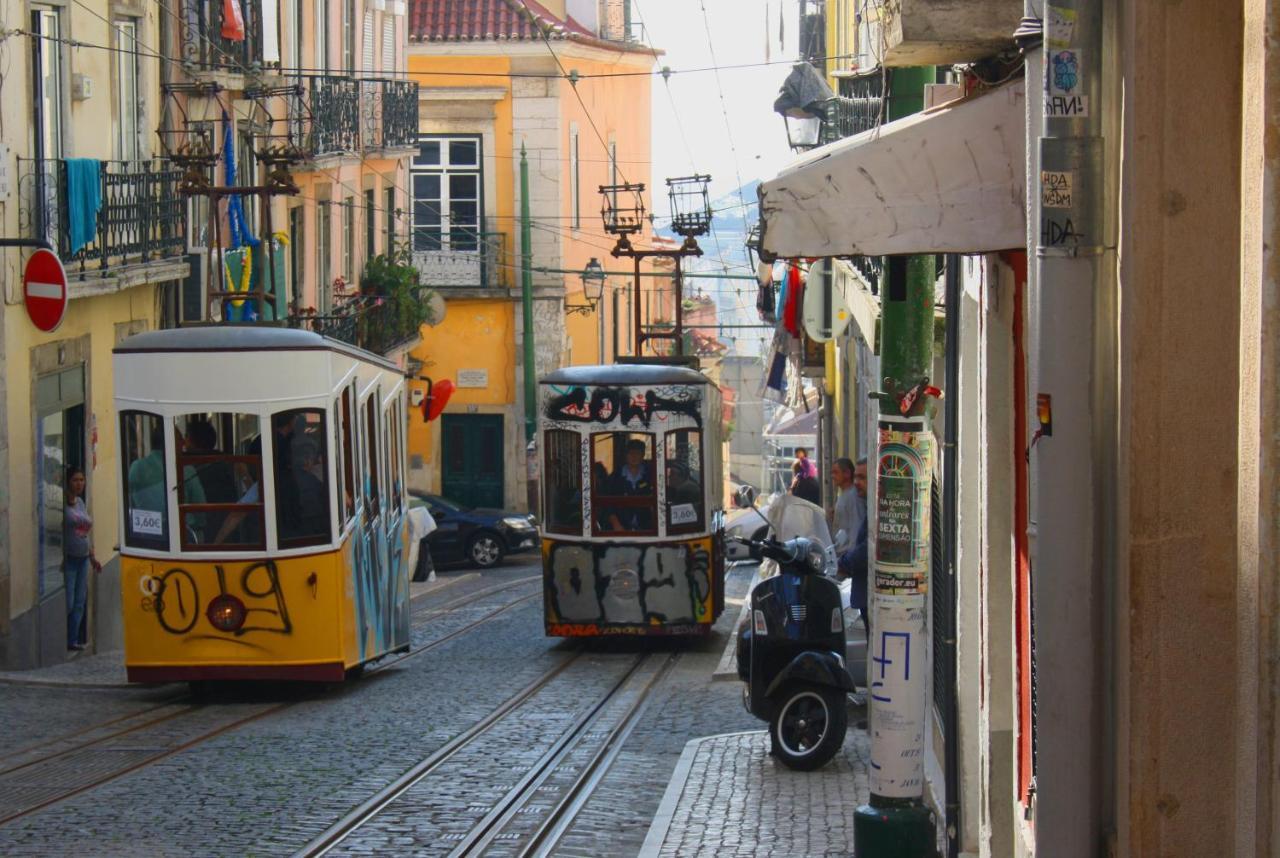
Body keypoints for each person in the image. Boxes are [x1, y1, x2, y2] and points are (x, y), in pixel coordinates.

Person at [63, 468, 101, 652]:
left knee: (79, 602)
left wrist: (93, 557)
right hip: (68, 560)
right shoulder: (62, 506)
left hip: (83, 559)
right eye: (75, 480)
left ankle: (72, 640)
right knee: (69, 602)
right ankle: (61, 639)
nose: (80, 484)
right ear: (68, 482)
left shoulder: (80, 503)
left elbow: (87, 533)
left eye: (82, 480)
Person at [606, 438, 654, 531]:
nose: (634, 456)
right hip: (620, 528)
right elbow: (608, 504)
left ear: (643, 455)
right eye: (631, 453)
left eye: (638, 453)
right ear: (626, 455)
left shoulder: (649, 475)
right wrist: (616, 524)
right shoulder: (616, 476)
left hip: (645, 528)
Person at [832, 457, 868, 553]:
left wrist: (849, 563)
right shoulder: (845, 494)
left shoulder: (854, 495)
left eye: (835, 472)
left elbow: (856, 529)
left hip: (847, 557)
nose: (832, 476)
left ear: (847, 473)